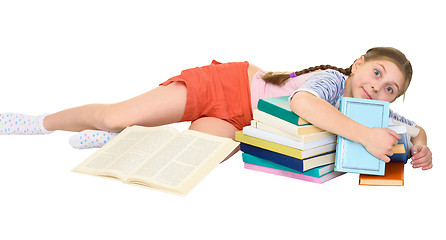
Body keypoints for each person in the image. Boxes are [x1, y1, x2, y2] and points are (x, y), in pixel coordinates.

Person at [0, 47, 432, 170]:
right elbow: (304, 102)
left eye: (389, 89)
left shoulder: (368, 113)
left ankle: (122, 141)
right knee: (116, 113)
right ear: (358, 64)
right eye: (376, 73)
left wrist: (420, 146)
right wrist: (364, 136)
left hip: (242, 123)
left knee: (184, 156)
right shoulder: (332, 82)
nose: (377, 88)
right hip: (225, 86)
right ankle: (40, 122)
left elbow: (413, 129)